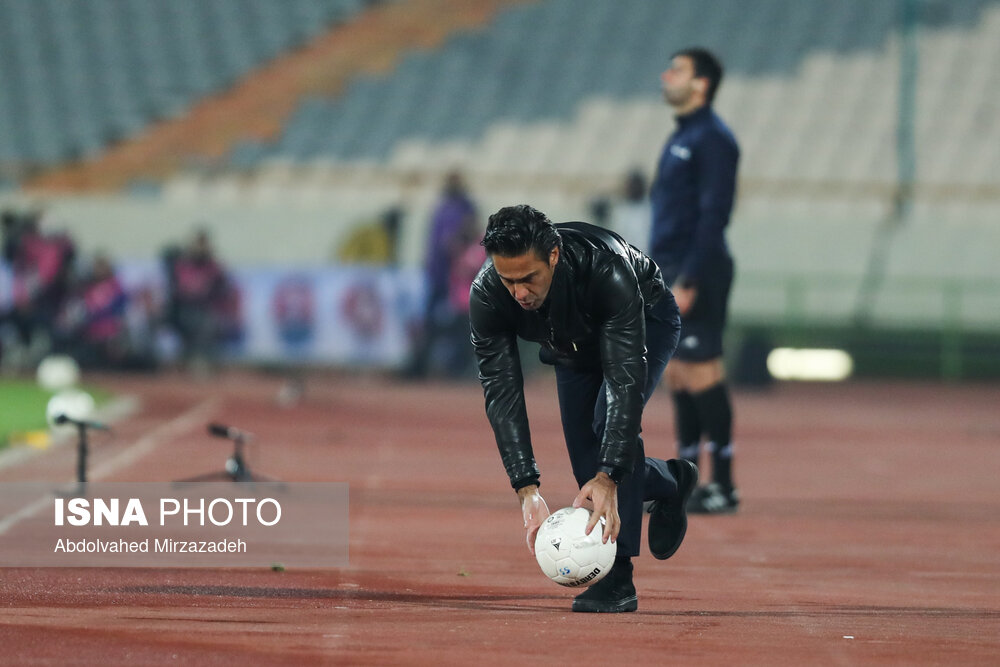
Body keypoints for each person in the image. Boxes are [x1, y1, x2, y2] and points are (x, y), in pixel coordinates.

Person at [470, 204, 698, 613]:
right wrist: (526, 487)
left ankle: (617, 578)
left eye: (528, 279)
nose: (519, 293)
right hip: (570, 346)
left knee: (606, 429)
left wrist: (610, 477)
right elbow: (502, 390)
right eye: (508, 280)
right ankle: (669, 482)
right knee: (584, 460)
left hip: (645, 319)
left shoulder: (606, 271)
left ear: (553, 256)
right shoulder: (488, 295)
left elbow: (625, 380)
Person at [649, 47, 741, 514]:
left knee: (703, 370)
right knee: (680, 375)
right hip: (670, 267)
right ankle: (685, 480)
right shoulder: (682, 136)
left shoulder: (712, 139)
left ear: (701, 84)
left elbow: (713, 214)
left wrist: (689, 278)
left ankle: (723, 484)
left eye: (677, 69)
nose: (666, 75)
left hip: (696, 270)